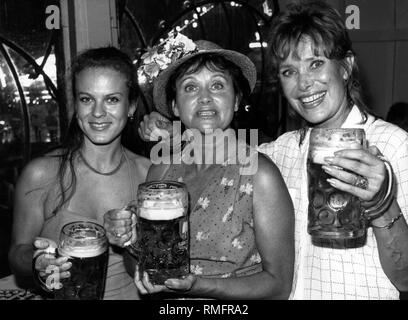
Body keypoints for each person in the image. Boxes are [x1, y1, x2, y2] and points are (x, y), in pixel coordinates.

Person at [139, 1, 408, 300]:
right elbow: (215, 150)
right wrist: (169, 126)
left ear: (345, 67)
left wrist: (383, 204)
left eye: (315, 64)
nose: (304, 83)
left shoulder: (394, 145)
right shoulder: (280, 152)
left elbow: (407, 279)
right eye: (289, 71)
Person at [107, 34, 295, 299]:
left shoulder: (258, 174)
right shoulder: (161, 170)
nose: (205, 98)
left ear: (237, 99)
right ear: (174, 106)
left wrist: (198, 285)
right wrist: (128, 241)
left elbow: (279, 286)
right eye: (191, 87)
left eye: (217, 85)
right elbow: (142, 265)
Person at [8, 47, 150, 299]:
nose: (97, 113)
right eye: (86, 99)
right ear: (75, 104)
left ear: (131, 107)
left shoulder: (149, 173)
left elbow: (155, 264)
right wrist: (38, 261)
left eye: (112, 99)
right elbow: (18, 253)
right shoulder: (41, 173)